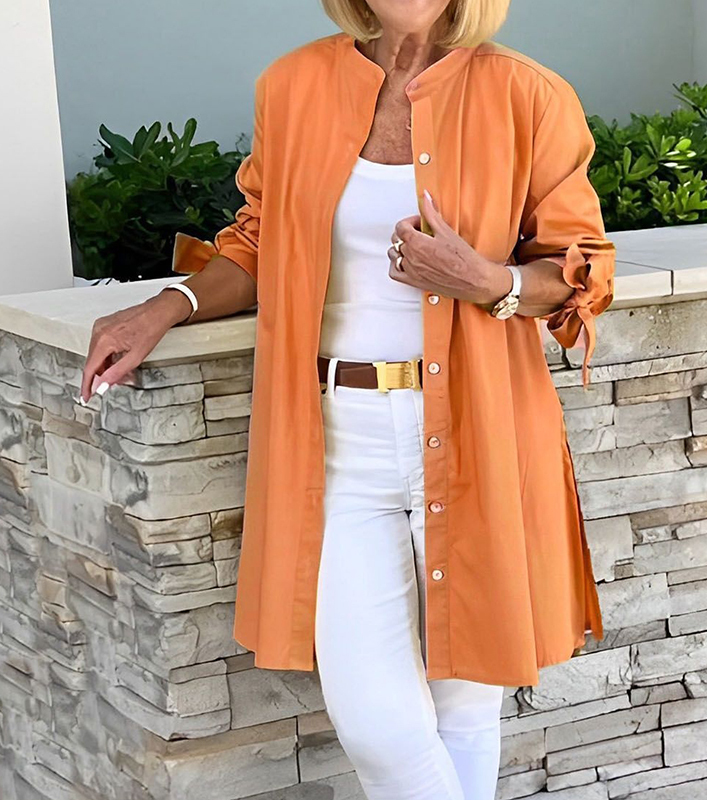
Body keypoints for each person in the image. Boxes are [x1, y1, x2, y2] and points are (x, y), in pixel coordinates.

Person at [80, 1, 616, 797]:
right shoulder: (293, 84)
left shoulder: (530, 95)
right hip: (340, 440)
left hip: (482, 429)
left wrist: (487, 280)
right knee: (377, 725)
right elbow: (259, 239)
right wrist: (167, 306)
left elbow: (580, 268)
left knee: (466, 707)